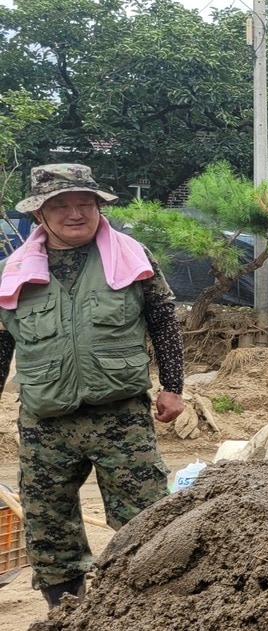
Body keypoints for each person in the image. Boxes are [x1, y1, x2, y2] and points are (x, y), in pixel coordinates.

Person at [0, 163, 185, 607]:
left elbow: (163, 321)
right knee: (48, 527)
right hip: (45, 422)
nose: (75, 213)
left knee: (148, 518)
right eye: (60, 205)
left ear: (99, 206)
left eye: (85, 203)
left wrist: (172, 386)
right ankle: (65, 612)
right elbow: (3, 341)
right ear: (40, 214)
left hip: (120, 416)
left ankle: (147, 607)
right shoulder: (14, 270)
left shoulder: (131, 256)